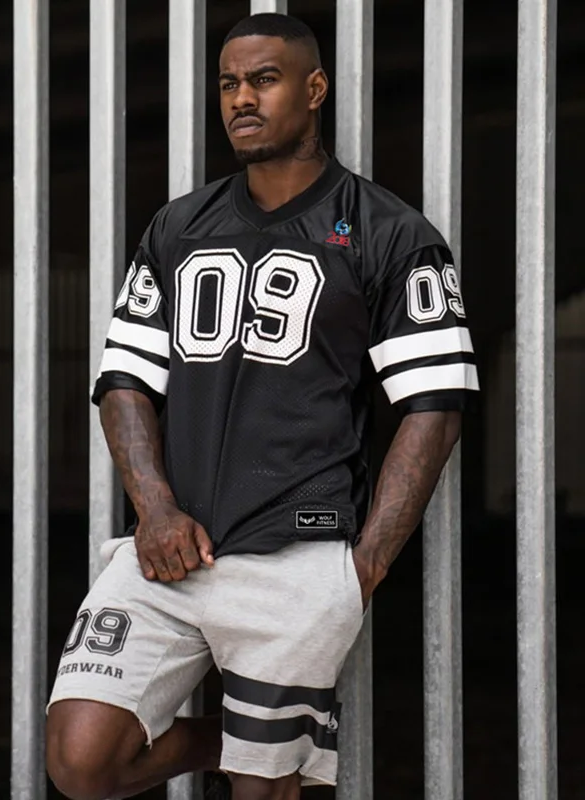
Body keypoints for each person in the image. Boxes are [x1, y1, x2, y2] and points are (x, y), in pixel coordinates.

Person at [45, 12, 478, 800]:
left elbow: (433, 407)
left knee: (264, 794)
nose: (242, 98)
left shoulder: (392, 233)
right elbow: (125, 380)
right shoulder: (179, 226)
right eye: (229, 83)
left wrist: (364, 567)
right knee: (81, 760)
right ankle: (244, 742)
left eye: (264, 79)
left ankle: (269, 757)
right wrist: (155, 511)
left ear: (314, 89)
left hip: (297, 557)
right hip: (170, 553)